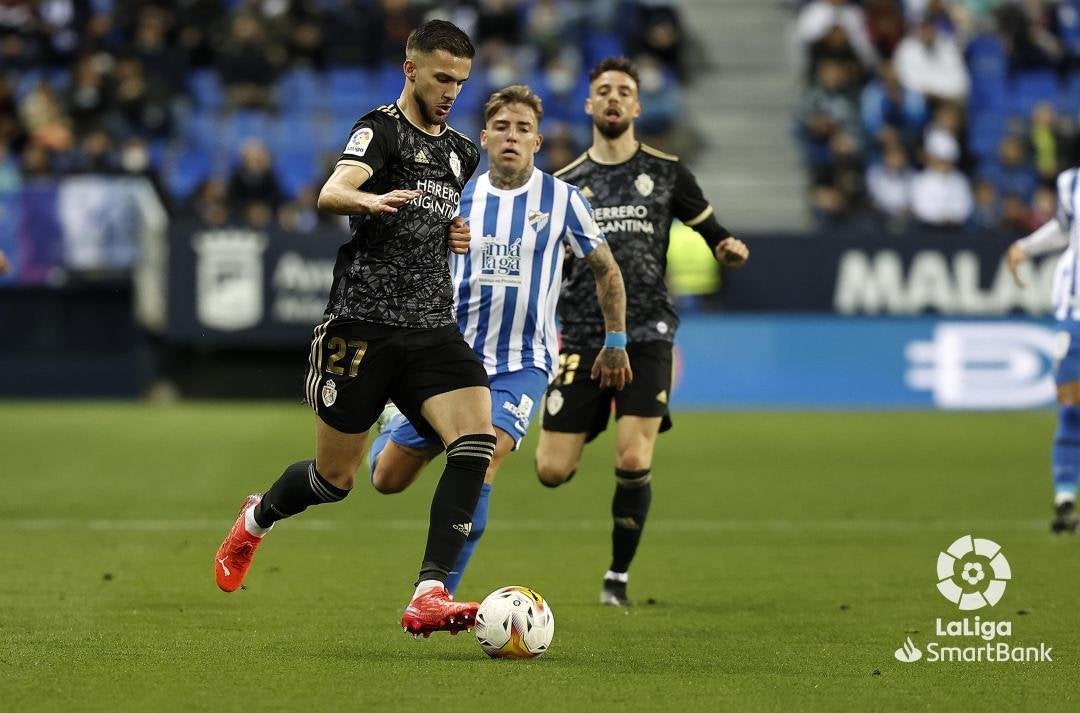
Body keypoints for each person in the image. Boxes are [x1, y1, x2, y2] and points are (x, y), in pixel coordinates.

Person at [213, 20, 496, 638]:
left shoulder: (462, 152)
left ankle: (430, 592)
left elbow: (436, 217)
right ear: (411, 69)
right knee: (332, 481)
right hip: (361, 329)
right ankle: (256, 519)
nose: (451, 91)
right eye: (441, 78)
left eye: (461, 82)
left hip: (430, 328)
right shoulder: (378, 130)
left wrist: (452, 235)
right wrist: (365, 200)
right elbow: (332, 191)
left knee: (477, 440)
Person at [367, 84, 631, 595]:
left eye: (524, 129)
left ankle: (436, 592)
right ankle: (392, 419)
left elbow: (607, 271)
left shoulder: (564, 201)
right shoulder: (455, 193)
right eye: (503, 127)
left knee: (482, 460)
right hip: (448, 361)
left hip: (521, 363)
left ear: (538, 142)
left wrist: (615, 338)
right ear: (484, 137)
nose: (512, 137)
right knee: (387, 479)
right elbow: (402, 255)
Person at [534, 56, 750, 606]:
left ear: (636, 105)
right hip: (582, 335)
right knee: (551, 471)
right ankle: (593, 420)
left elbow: (711, 228)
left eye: (623, 90)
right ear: (588, 105)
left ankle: (617, 579)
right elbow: (546, 261)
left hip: (648, 332)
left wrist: (725, 246)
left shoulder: (668, 171)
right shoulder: (564, 185)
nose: (612, 97)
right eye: (602, 89)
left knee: (634, 460)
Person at [1006, 166, 1080, 533]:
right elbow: (1065, 228)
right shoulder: (1072, 182)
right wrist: (1026, 246)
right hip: (1075, 312)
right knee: (1070, 410)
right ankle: (1065, 501)